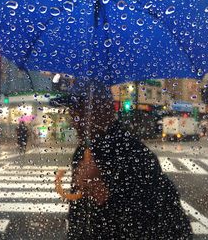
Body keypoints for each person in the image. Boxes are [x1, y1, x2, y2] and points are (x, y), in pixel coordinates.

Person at [52, 79, 193, 239]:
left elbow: (170, 223)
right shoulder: (82, 152)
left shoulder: (134, 153)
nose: (74, 120)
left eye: (79, 111)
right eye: (72, 111)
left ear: (103, 110)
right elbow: (78, 214)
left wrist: (104, 194)